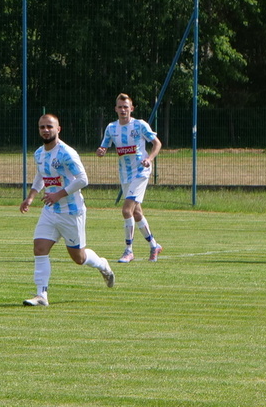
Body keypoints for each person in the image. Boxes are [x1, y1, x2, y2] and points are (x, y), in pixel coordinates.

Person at [19, 114, 116, 305]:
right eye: (42, 127)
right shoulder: (39, 153)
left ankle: (102, 265)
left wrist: (58, 194)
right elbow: (40, 175)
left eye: (49, 126)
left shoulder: (66, 153)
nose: (45, 130)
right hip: (50, 210)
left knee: (79, 258)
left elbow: (83, 179)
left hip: (71, 211)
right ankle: (41, 295)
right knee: (39, 247)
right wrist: (30, 197)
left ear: (58, 129)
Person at [96, 93, 163, 262]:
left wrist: (149, 159)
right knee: (136, 212)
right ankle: (154, 245)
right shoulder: (111, 128)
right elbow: (103, 147)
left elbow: (157, 143)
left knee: (126, 210)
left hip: (140, 171)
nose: (123, 110)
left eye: (126, 107)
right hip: (125, 174)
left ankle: (129, 250)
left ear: (131, 109)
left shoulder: (139, 125)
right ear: (115, 109)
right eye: (120, 107)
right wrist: (101, 152)